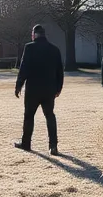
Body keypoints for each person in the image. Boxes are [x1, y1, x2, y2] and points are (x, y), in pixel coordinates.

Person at [13, 24, 65, 155]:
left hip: (33, 89)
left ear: (34, 35)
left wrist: (19, 85)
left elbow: (24, 68)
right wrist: (59, 88)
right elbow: (60, 71)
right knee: (50, 116)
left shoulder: (29, 48)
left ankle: (26, 143)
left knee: (29, 116)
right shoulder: (54, 49)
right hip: (49, 89)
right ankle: (53, 146)